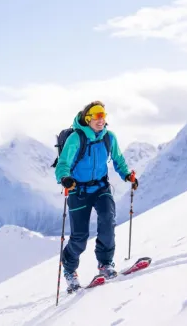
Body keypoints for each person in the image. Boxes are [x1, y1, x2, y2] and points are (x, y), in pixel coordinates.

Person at [55, 100, 139, 291]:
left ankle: (105, 264)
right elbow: (63, 163)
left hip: (101, 188)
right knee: (79, 237)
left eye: (103, 116)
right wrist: (65, 178)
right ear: (88, 118)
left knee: (108, 221)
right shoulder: (76, 138)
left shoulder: (109, 137)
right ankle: (69, 270)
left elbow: (118, 159)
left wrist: (127, 175)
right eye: (97, 116)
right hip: (78, 190)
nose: (101, 120)